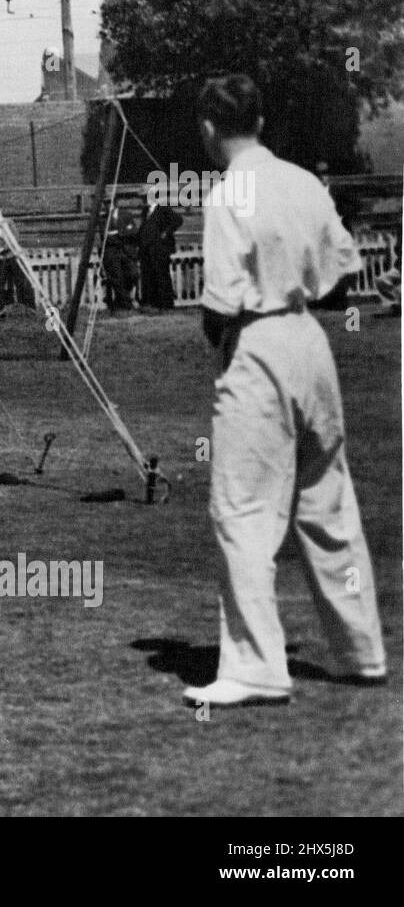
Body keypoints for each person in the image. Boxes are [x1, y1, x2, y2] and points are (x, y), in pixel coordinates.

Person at [182, 74, 386, 710]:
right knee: (327, 499)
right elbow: (340, 275)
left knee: (241, 508)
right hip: (310, 341)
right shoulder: (303, 182)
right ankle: (361, 653)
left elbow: (218, 302)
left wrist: (225, 342)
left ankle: (256, 668)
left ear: (211, 129)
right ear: (261, 122)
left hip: (257, 344)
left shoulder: (226, 195)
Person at [137, 187, 183, 311]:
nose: (142, 200)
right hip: (148, 249)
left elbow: (178, 220)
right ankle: (153, 303)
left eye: (144, 197)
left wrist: (166, 233)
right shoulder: (145, 211)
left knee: (162, 276)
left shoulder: (163, 209)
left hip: (160, 249)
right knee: (149, 276)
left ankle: (166, 304)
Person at [102, 198, 140, 311]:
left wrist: (119, 234)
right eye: (106, 203)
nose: (108, 205)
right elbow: (104, 238)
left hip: (126, 250)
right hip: (112, 252)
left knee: (133, 274)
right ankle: (125, 304)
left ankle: (124, 299)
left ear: (115, 202)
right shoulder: (103, 219)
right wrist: (117, 236)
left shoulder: (126, 215)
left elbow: (133, 231)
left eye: (110, 202)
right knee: (116, 278)